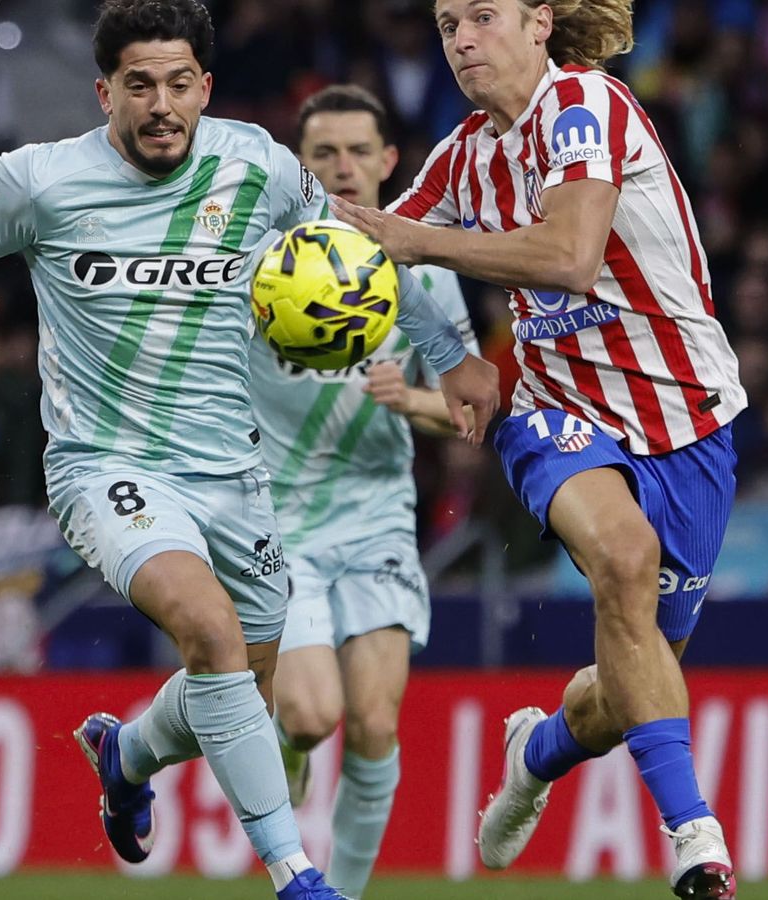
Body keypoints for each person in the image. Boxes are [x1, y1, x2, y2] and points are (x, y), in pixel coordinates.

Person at [0, 3, 501, 898]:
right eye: (140, 85)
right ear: (105, 90)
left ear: (206, 89)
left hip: (231, 471)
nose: (161, 105)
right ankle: (296, 874)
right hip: (104, 467)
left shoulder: (258, 167)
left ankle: (127, 753)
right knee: (211, 632)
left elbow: (362, 248)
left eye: (179, 84)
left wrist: (455, 358)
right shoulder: (42, 180)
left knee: (240, 686)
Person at [331, 1, 745, 897]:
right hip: (556, 414)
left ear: (538, 24)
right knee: (624, 562)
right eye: (446, 26)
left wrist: (412, 239)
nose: (462, 41)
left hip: (688, 418)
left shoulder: (587, 105)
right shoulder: (461, 155)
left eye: (483, 17)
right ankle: (696, 837)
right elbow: (370, 255)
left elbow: (568, 255)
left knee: (631, 679)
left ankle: (539, 751)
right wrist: (449, 356)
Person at [254, 84, 479, 900]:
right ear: (301, 166)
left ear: (388, 163)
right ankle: (288, 740)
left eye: (358, 152)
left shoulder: (422, 269)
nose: (342, 168)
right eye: (323, 154)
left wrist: (412, 397)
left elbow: (470, 406)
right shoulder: (265, 261)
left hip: (378, 509)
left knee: (377, 724)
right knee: (314, 715)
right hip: (278, 522)